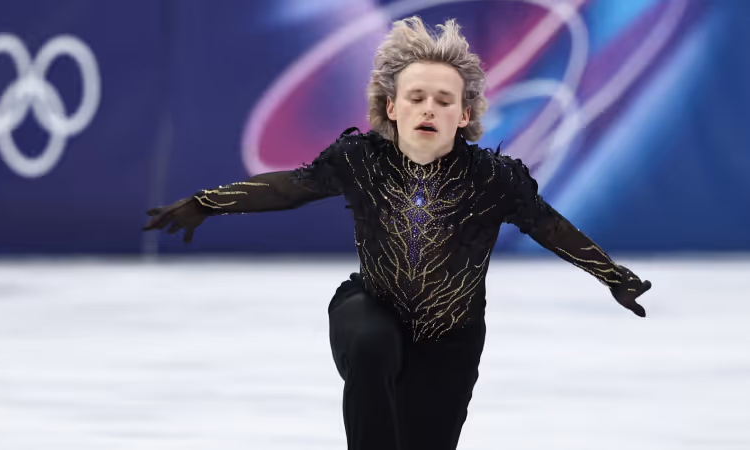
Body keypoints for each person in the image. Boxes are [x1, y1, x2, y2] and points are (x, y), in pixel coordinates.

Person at [143, 16, 652, 450]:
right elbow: (288, 189)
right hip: (369, 308)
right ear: (392, 107)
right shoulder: (359, 160)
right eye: (416, 97)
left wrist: (612, 275)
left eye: (443, 100)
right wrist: (206, 202)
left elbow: (550, 227)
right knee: (371, 345)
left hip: (451, 340)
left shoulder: (493, 179)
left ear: (464, 114)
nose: (429, 108)